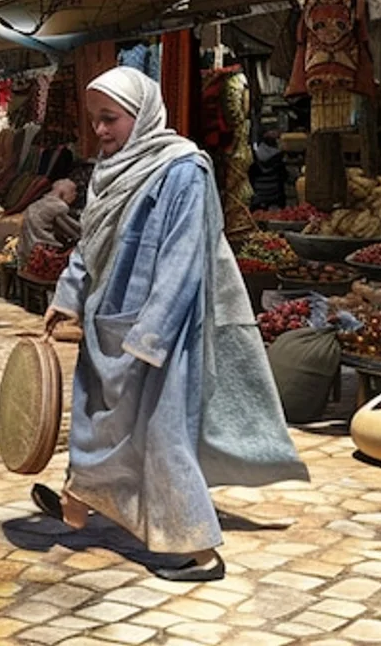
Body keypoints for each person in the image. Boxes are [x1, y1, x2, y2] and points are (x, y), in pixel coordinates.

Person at [38, 67, 306, 581]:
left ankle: (201, 549)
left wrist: (152, 335)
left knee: (163, 437)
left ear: (141, 115)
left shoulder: (183, 170)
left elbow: (184, 258)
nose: (100, 130)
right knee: (101, 423)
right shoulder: (110, 170)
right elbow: (90, 242)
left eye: (110, 118)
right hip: (108, 323)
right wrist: (68, 296)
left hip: (164, 332)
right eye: (95, 120)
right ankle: (80, 501)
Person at [16, 179, 80, 270]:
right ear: (63, 192)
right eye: (73, 191)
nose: (75, 195)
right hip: (43, 258)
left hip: (25, 255)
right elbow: (74, 232)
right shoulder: (59, 206)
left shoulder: (35, 204)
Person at [249, 125, 288, 211]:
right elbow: (285, 177)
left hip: (258, 197)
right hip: (275, 197)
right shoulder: (279, 158)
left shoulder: (254, 157)